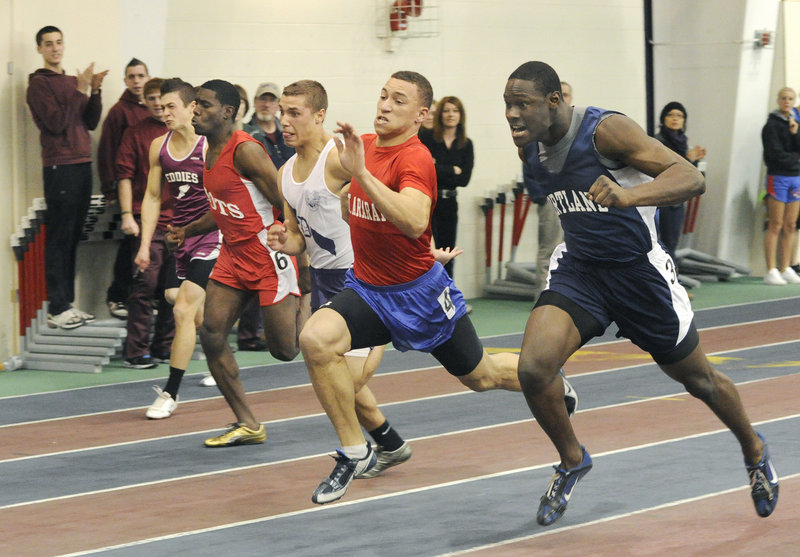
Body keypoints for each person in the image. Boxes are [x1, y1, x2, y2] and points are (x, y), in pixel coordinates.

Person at [505, 61, 779, 526]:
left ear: (554, 101)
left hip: (639, 276)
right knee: (533, 369)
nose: (512, 114)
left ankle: (754, 449)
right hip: (583, 272)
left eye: (522, 104)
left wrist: (630, 196)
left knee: (700, 381)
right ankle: (573, 459)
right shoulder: (530, 147)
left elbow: (691, 178)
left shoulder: (606, 131)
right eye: (507, 104)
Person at [300, 71, 576, 505]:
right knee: (316, 340)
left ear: (422, 114)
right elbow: (336, 194)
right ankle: (354, 451)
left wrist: (363, 178)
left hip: (421, 296)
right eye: (383, 95)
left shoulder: (416, 159)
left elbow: (411, 220)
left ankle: (546, 375)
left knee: (482, 376)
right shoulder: (362, 147)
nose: (386, 105)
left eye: (399, 100)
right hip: (370, 292)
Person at [267, 79, 413, 478]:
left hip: (364, 280)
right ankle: (390, 443)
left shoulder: (338, 159)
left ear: (319, 116)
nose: (285, 120)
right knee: (338, 380)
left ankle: (388, 330)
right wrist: (285, 241)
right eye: (282, 112)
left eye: (294, 112)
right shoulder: (284, 175)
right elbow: (298, 236)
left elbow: (391, 204)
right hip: (325, 284)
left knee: (344, 380)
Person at [171, 79, 307, 443]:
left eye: (203, 104)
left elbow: (285, 203)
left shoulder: (247, 151)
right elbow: (224, 208)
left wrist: (301, 252)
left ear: (228, 112)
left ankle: (313, 303)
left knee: (286, 350)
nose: (195, 110)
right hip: (232, 257)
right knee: (212, 333)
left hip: (267, 256)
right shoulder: (204, 150)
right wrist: (187, 228)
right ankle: (248, 423)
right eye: (195, 104)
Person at [135, 78, 221, 418]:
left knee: (183, 309)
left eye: (171, 106)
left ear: (191, 108)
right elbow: (153, 196)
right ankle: (218, 336)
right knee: (175, 297)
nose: (163, 111)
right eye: (160, 105)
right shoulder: (160, 146)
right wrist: (145, 244)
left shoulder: (209, 145)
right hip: (180, 238)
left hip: (214, 236)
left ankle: (169, 392)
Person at [26, 25, 108, 329]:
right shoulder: (38, 84)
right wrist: (82, 89)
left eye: (59, 43)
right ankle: (57, 307)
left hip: (82, 163)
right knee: (60, 236)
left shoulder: (75, 83)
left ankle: (68, 306)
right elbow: (57, 122)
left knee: (73, 236)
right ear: (40, 49)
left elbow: (89, 121)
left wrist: (95, 90)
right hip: (59, 166)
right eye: (48, 44)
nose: (55, 48)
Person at [116, 77, 175, 370]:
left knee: (172, 290)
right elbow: (124, 175)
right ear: (145, 101)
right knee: (144, 285)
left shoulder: (182, 134)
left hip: (179, 224)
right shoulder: (135, 134)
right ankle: (136, 351)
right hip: (146, 223)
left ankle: (164, 347)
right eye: (151, 98)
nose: (156, 104)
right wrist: (127, 215)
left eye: (161, 99)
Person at [98, 58, 151, 319]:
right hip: (131, 195)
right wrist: (110, 189)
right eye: (132, 76)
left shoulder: (159, 113)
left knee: (150, 251)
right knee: (129, 247)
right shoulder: (119, 111)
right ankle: (117, 296)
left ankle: (144, 299)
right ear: (125, 80)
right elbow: (107, 151)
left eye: (141, 75)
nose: (137, 81)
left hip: (155, 197)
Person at [419, 96, 474, 277]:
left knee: (448, 252)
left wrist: (438, 168)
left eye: (455, 111)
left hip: (450, 203)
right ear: (440, 114)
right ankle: (427, 297)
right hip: (429, 202)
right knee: (427, 252)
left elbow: (464, 179)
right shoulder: (427, 137)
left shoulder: (466, 144)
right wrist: (453, 170)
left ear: (461, 116)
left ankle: (448, 295)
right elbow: (425, 171)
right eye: (447, 110)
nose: (451, 115)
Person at [654, 102, 707, 262]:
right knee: (657, 243)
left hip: (677, 199)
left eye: (680, 115)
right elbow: (666, 168)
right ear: (663, 119)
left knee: (671, 242)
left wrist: (694, 161)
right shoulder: (657, 141)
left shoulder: (682, 141)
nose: (675, 118)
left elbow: (686, 172)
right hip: (659, 199)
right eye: (671, 115)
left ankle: (672, 281)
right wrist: (689, 159)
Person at [761, 87, 800, 285]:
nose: (787, 101)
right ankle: (771, 269)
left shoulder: (794, 124)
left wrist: (795, 133)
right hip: (778, 178)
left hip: (796, 178)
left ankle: (785, 268)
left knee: (790, 225)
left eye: (791, 99)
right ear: (778, 100)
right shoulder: (771, 125)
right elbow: (775, 155)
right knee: (775, 224)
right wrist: (796, 160)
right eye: (784, 98)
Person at [243, 82, 295, 170]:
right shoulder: (246, 135)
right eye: (263, 99)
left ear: (279, 105)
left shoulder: (290, 132)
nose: (266, 105)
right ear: (255, 102)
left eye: (272, 100)